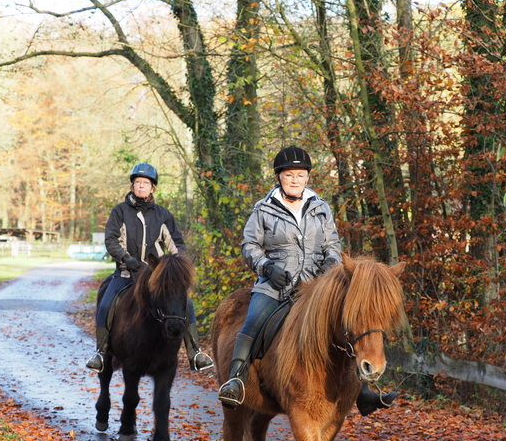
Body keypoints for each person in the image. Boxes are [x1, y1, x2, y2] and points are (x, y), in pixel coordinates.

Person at [217, 145, 397, 415]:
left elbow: (332, 245)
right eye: (289, 175)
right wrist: (266, 267)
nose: (295, 180)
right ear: (279, 177)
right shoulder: (264, 208)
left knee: (350, 326)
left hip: (317, 287)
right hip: (275, 285)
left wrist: (330, 268)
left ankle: (363, 391)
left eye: (300, 175)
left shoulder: (321, 207)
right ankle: (235, 381)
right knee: (253, 321)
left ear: (308, 177)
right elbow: (250, 245)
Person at [86, 162, 213, 373]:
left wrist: (175, 266)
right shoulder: (120, 211)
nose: (141, 186)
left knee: (185, 303)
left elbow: (176, 245)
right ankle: (101, 352)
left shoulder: (163, 214)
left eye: (145, 183)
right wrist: (127, 259)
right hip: (127, 273)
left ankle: (195, 352)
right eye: (137, 183)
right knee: (107, 302)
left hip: (157, 276)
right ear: (132, 186)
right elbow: (111, 240)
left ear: (152, 187)